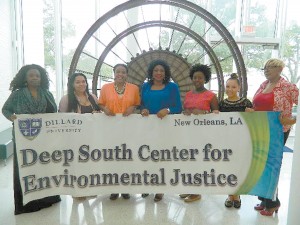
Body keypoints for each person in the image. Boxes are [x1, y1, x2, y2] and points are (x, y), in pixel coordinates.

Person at [2, 64, 61, 215]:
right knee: (25, 167)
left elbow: (53, 112)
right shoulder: (17, 94)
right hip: (24, 138)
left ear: (41, 79)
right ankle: (26, 203)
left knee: (44, 166)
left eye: (37, 76)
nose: (35, 78)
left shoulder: (47, 93)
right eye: (31, 76)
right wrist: (12, 117)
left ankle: (46, 199)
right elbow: (5, 109)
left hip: (43, 138)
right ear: (25, 79)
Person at [251, 58, 298, 216]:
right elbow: (255, 104)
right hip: (262, 129)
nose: (266, 70)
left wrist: (293, 119)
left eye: (270, 67)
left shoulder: (288, 87)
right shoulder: (263, 85)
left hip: (278, 130)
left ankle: (273, 203)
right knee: (262, 164)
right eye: (264, 68)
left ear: (279, 69)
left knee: (272, 165)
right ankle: (265, 199)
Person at [140, 59, 182, 202]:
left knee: (161, 158)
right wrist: (143, 109)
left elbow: (179, 107)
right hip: (147, 129)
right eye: (156, 70)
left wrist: (168, 110)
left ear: (165, 73)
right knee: (146, 157)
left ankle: (160, 188)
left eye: (161, 71)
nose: (158, 73)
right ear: (151, 72)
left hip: (166, 129)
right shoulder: (145, 86)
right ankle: (147, 186)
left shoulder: (172, 87)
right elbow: (141, 105)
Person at [98, 63, 140, 200]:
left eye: (123, 72)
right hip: (110, 129)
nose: (120, 74)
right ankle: (114, 188)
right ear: (114, 73)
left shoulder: (134, 89)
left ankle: (126, 188)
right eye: (118, 72)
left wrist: (132, 107)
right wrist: (104, 109)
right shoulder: (105, 88)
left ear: (127, 74)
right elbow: (101, 103)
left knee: (127, 157)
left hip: (129, 129)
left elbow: (137, 103)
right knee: (112, 157)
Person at [59, 72, 100, 201]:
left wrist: (97, 113)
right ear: (72, 84)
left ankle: (89, 187)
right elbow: (61, 118)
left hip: (92, 137)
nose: (81, 84)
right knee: (76, 164)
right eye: (78, 82)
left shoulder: (93, 97)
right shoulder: (66, 99)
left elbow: (100, 114)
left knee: (90, 163)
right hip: (74, 139)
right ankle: (77, 190)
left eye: (83, 81)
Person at [181, 63, 219, 203]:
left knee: (198, 162)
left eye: (200, 77)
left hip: (204, 134)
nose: (197, 80)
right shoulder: (189, 94)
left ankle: (196, 192)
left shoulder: (211, 96)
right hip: (188, 133)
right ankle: (190, 188)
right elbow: (186, 110)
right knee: (188, 161)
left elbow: (216, 115)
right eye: (195, 77)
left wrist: (203, 113)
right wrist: (186, 113)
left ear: (205, 79)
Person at [219, 73, 253, 208]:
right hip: (226, 141)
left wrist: (252, 113)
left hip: (241, 141)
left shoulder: (246, 103)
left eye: (233, 87)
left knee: (239, 168)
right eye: (228, 86)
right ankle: (229, 194)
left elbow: (253, 121)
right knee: (228, 168)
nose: (230, 89)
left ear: (238, 88)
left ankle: (237, 195)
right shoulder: (222, 104)